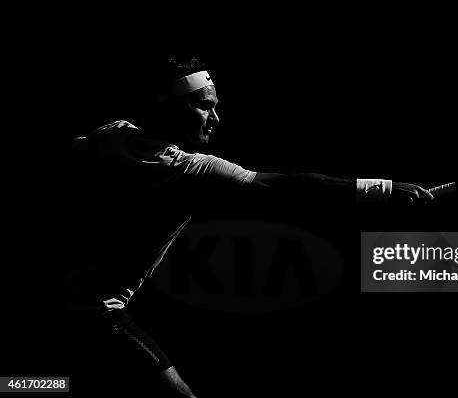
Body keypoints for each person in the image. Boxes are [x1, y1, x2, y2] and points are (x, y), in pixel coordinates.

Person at [65, 55, 433, 397]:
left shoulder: (109, 135)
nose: (216, 118)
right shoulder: (189, 170)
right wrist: (382, 190)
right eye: (204, 105)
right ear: (167, 105)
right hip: (96, 313)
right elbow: (290, 185)